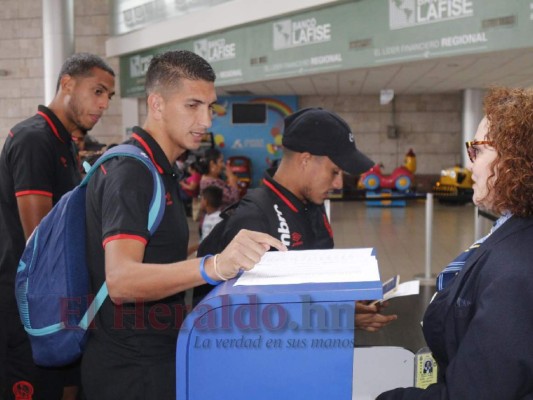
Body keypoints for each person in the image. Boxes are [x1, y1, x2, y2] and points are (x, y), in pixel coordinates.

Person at [81, 50, 285, 400]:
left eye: (211, 107)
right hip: (130, 372)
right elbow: (121, 280)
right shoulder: (133, 173)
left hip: (153, 356)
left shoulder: (159, 168)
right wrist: (215, 266)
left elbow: (156, 257)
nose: (206, 121)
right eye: (192, 106)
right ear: (157, 104)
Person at [377, 87, 533, 399]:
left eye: (478, 150)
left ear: (516, 159)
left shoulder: (516, 272)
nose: (470, 163)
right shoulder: (514, 229)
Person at [197, 107, 398, 332]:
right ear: (305, 160)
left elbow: (306, 291)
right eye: (334, 171)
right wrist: (340, 319)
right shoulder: (252, 222)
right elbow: (249, 321)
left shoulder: (311, 206)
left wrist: (345, 305)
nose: (339, 184)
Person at [0, 53, 115, 400]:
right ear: (67, 83)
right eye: (97, 91)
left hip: (62, 302)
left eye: (108, 96)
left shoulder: (63, 141)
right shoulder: (34, 138)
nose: (104, 104)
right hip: (32, 308)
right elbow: (42, 244)